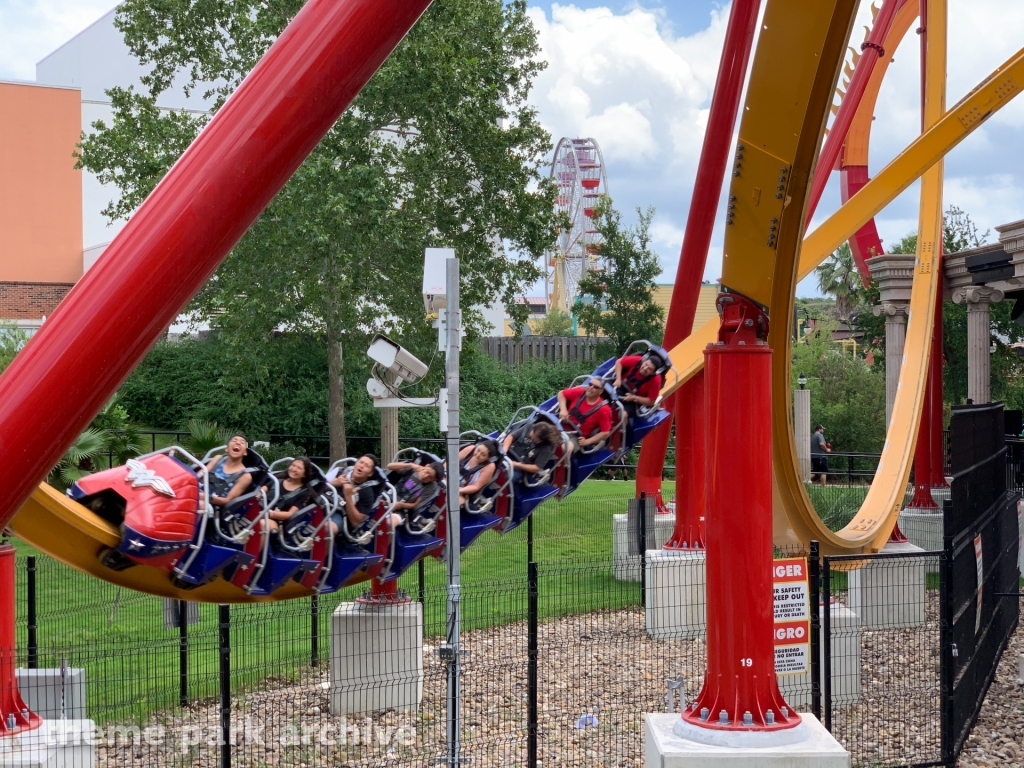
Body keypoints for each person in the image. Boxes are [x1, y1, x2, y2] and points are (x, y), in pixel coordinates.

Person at [328, 454, 397, 537]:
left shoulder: (367, 492)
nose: (362, 466)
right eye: (361, 462)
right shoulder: (339, 472)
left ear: (370, 474)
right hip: (321, 505)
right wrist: (334, 483)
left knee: (328, 529)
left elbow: (356, 522)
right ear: (355, 463)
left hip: (339, 515)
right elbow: (316, 489)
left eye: (366, 466)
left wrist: (348, 496)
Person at [557, 377, 613, 451]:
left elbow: (605, 432)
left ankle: (563, 462)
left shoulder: (604, 410)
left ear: (601, 391)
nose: (591, 387)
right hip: (561, 424)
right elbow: (561, 394)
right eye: (590, 384)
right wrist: (563, 409)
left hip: (575, 437)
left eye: (595, 387)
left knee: (566, 447)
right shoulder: (580, 391)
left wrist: (587, 442)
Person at [260, 457, 314, 533]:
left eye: (299, 468)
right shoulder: (278, 479)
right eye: (293, 465)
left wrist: (269, 514)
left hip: (277, 521)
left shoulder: (304, 492)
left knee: (262, 524)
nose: (294, 469)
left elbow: (289, 514)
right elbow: (261, 491)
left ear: (304, 474)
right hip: (260, 511)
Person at [205, 434, 253, 508]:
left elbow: (228, 501)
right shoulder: (218, 459)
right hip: (195, 492)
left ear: (245, 452)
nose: (238, 443)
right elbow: (200, 475)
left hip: (211, 505)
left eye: (242, 442)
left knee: (200, 504)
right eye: (234, 440)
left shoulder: (245, 476)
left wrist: (206, 497)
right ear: (227, 449)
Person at [613, 352, 665, 419]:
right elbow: (619, 362)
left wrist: (634, 398)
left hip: (633, 400)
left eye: (649, 369)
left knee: (623, 415)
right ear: (644, 361)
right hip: (620, 386)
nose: (645, 368)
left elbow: (651, 401)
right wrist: (618, 379)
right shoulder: (638, 360)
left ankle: (622, 428)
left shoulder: (656, 380)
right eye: (646, 364)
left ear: (653, 373)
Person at [456, 440, 498, 508]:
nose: (478, 455)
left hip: (462, 492)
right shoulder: (470, 449)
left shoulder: (489, 467)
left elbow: (476, 487)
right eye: (478, 450)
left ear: (488, 458)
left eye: (483, 455)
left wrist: (458, 490)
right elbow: (449, 461)